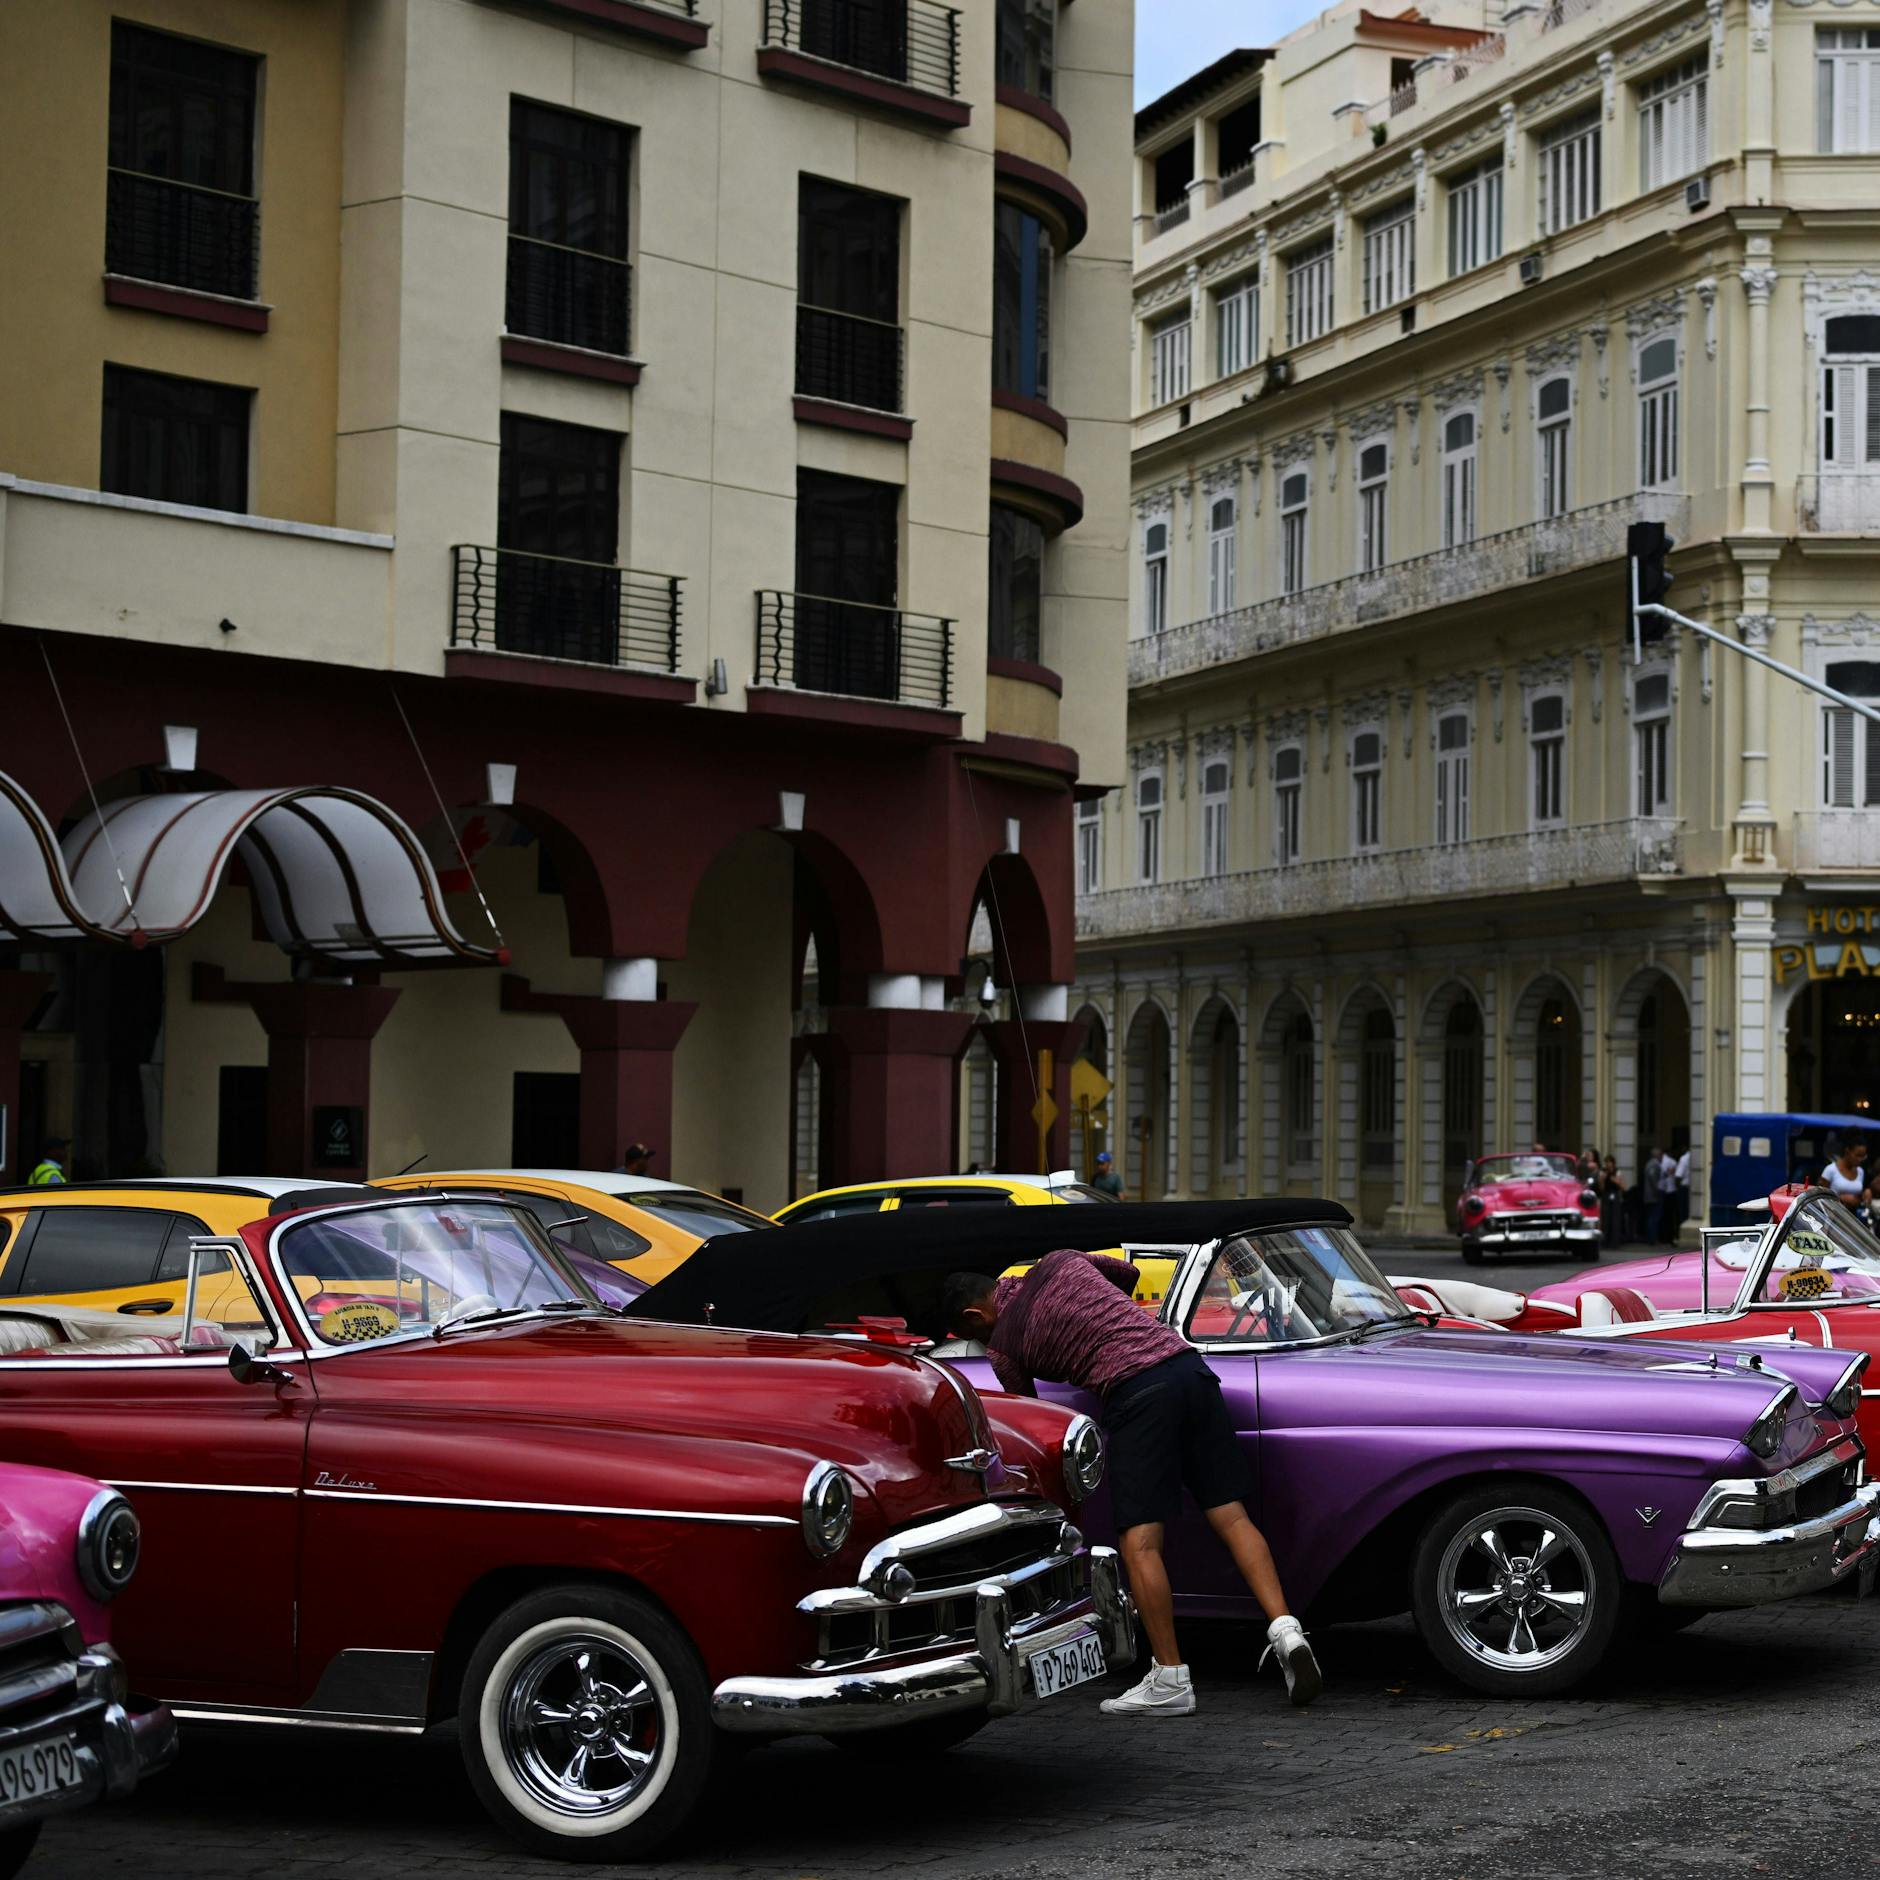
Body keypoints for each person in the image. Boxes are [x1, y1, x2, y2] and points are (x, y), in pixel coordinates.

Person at [941, 1253, 1320, 1718]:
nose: (982, 1342)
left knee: (1139, 1543)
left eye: (973, 1335)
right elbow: (1128, 1275)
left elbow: (1031, 1416)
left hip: (1137, 1395)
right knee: (1231, 1513)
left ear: (974, 1316)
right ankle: (1286, 1632)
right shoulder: (1062, 1261)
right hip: (1190, 1371)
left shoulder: (1002, 1346)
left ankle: (1169, 1678)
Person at [1599, 1155, 1626, 1248]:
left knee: (1615, 1219)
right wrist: (1602, 1180)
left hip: (1615, 1196)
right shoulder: (1603, 1172)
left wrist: (1614, 1180)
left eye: (1609, 1162)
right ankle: (1605, 1241)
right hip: (1606, 1196)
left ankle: (1615, 1242)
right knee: (1606, 1219)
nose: (1608, 1164)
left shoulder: (1617, 1172)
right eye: (1606, 1162)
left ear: (1613, 1163)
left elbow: (1623, 1187)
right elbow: (1601, 1188)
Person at [1640, 1145, 1663, 1247]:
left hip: (1649, 1196)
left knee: (1651, 1217)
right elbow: (1653, 1178)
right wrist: (1658, 1190)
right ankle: (1652, 1239)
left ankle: (1651, 1238)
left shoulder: (1649, 1163)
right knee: (1653, 1218)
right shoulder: (1654, 1164)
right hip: (1653, 1196)